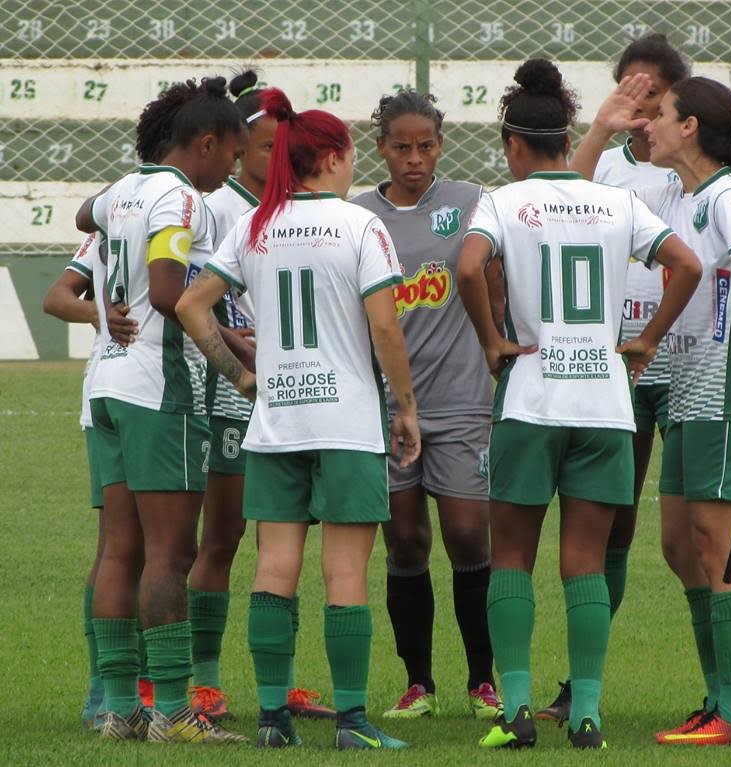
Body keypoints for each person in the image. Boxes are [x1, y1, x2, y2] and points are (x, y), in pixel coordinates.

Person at [456, 58, 702, 750]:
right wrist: (646, 339)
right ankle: (587, 713)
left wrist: (493, 340)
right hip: (604, 404)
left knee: (511, 555)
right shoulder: (617, 202)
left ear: (513, 145)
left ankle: (516, 711)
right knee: (586, 562)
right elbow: (687, 264)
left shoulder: (503, 202)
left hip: (532, 397)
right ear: (567, 141)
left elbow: (469, 266)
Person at [176, 87, 420, 751]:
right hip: (345, 422)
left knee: (273, 566)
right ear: (333, 157)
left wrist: (242, 377)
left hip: (278, 420)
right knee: (345, 572)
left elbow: (192, 306)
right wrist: (404, 407)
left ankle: (272, 721)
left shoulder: (255, 226)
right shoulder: (359, 225)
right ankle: (352, 723)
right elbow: (385, 327)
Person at [578, 73, 731, 744]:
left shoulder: (728, 197)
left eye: (662, 113)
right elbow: (576, 194)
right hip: (687, 392)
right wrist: (604, 128)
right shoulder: (677, 193)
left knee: (719, 548)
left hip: (725, 396)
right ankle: (719, 698)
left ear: (691, 126)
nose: (650, 123)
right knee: (681, 544)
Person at [75, 76, 249, 744]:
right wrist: (236, 361)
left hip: (106, 384)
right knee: (171, 552)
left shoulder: (122, 189)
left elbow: (84, 215)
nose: (231, 167)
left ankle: (120, 708)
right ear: (205, 143)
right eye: (231, 153)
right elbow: (172, 294)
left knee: (120, 549)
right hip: (159, 388)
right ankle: (174, 712)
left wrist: (107, 297)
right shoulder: (180, 198)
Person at [537, 32, 689, 724]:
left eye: (651, 91)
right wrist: (601, 127)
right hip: (615, 361)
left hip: (682, 360)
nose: (639, 101)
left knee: (698, 530)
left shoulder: (686, 163)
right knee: (613, 525)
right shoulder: (602, 165)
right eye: (628, 86)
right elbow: (558, 194)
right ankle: (580, 684)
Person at [188, 69, 335, 724]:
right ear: (238, 145)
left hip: (294, 391)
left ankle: (285, 682)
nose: (278, 157)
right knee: (222, 534)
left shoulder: (294, 211)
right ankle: (205, 682)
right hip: (233, 394)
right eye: (267, 145)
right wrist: (229, 342)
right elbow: (187, 295)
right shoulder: (220, 207)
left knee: (286, 538)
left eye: (285, 146)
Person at [352, 89, 500, 721]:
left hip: (462, 398)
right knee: (407, 542)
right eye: (402, 147)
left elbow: (494, 276)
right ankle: (418, 684)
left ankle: (483, 681)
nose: (414, 158)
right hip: (387, 405)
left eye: (426, 146)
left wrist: (498, 342)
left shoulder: (471, 202)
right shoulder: (359, 215)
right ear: (381, 148)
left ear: (441, 146)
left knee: (468, 534)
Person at [42, 232, 108, 730]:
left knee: (158, 546)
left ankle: (125, 688)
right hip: (126, 390)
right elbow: (57, 297)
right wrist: (99, 312)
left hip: (167, 391)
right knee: (123, 545)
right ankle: (105, 687)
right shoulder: (113, 219)